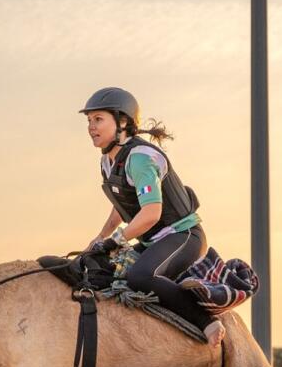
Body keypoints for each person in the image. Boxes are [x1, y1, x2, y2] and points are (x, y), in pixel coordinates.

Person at [79, 87, 225, 346]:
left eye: (98, 119)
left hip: (182, 236)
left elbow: (150, 213)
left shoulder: (140, 159)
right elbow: (122, 206)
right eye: (89, 120)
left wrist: (115, 240)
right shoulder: (108, 161)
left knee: (140, 276)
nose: (91, 126)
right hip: (152, 241)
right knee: (94, 267)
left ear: (123, 122)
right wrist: (99, 239)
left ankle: (207, 322)